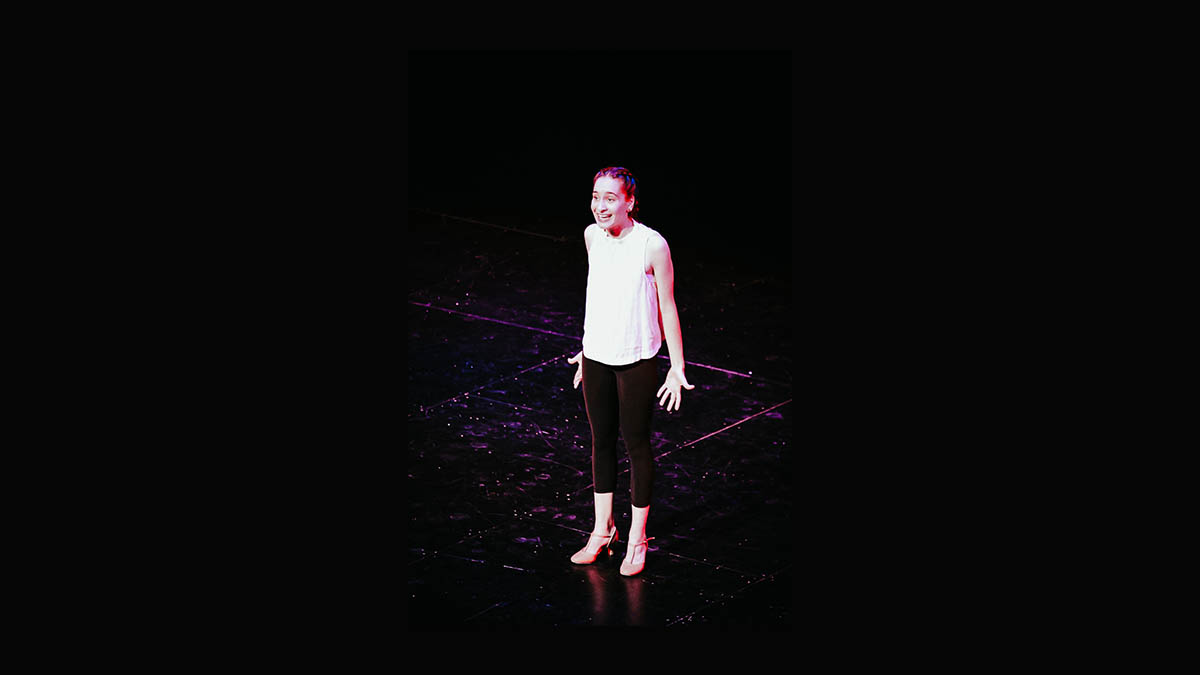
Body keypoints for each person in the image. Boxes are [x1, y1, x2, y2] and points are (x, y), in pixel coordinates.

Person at [566, 167, 694, 577]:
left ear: (629, 201)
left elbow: (667, 306)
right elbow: (600, 295)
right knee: (600, 441)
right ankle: (603, 530)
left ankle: (637, 538)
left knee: (636, 444)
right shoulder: (591, 236)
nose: (600, 206)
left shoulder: (651, 245)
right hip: (598, 356)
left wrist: (676, 366)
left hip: (637, 358)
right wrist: (585, 348)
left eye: (609, 198)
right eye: (595, 196)